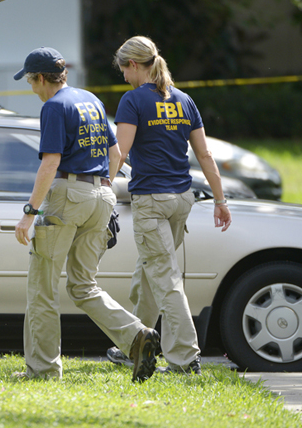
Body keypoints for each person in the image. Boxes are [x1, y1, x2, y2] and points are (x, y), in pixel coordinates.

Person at [12, 47, 159, 382]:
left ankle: (43, 371)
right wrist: (104, 186)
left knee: (43, 288)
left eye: (31, 81)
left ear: (42, 78)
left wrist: (30, 213)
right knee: (83, 285)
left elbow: (50, 163)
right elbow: (116, 151)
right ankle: (136, 335)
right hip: (102, 194)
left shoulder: (53, 106)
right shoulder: (90, 100)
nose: (31, 88)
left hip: (68, 194)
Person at [106, 36, 232, 374]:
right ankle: (134, 341)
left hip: (151, 201)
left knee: (165, 278)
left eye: (123, 69)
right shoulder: (184, 100)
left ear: (134, 65)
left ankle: (185, 357)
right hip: (181, 200)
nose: (122, 76)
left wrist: (103, 185)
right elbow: (204, 154)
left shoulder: (132, 101)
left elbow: (121, 151)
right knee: (147, 275)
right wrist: (220, 200)